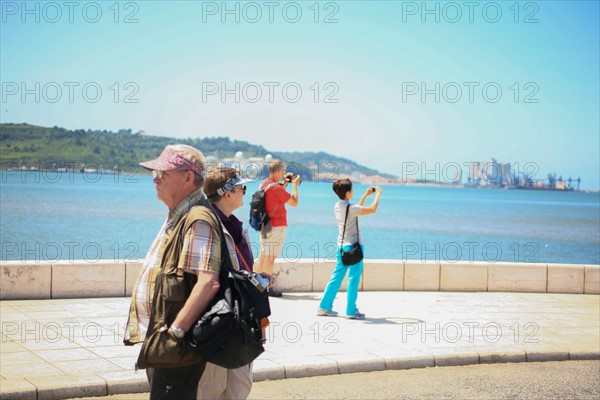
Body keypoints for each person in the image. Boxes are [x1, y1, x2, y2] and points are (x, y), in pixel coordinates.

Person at [124, 144, 226, 399]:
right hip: (164, 341)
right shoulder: (179, 214)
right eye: (155, 173)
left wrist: (175, 333)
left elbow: (207, 283)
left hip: (175, 346)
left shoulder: (197, 218)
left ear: (188, 177)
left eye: (164, 173)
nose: (155, 179)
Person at [197, 167, 273, 400]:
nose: (245, 192)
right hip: (218, 320)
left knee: (239, 387)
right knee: (211, 386)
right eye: (242, 188)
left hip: (242, 319)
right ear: (227, 193)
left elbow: (239, 270)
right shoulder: (205, 225)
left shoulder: (236, 226)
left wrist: (257, 279)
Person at [317, 179, 382, 320]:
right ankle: (351, 311)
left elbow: (355, 210)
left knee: (336, 278)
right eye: (352, 190)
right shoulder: (351, 208)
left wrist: (365, 196)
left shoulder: (337, 206)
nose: (353, 192)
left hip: (341, 247)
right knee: (353, 279)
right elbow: (372, 210)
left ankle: (324, 307)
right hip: (354, 248)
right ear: (348, 193)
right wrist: (378, 195)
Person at [254, 159, 300, 297]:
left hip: (264, 226)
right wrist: (295, 186)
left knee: (263, 256)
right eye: (283, 171)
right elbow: (294, 202)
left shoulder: (265, 184)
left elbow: (274, 197)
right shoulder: (276, 188)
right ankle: (266, 287)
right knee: (270, 258)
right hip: (276, 227)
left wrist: (285, 183)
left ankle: (257, 285)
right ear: (280, 171)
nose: (284, 174)